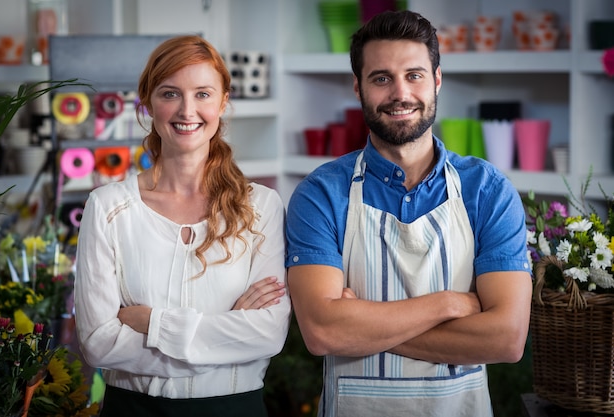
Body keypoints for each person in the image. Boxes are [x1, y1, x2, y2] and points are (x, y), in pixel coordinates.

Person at [285, 10, 532, 417]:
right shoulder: (321, 194)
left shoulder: (486, 190)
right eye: (381, 78)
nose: (400, 94)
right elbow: (322, 333)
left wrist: (360, 329)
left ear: (436, 80)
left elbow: (506, 339)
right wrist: (449, 304)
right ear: (358, 87)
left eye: (414, 75)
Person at [74, 35, 291, 417]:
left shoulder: (261, 207)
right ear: (148, 102)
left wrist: (152, 323)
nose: (187, 110)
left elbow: (268, 334)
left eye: (203, 94)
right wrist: (222, 345)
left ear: (224, 102)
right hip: (134, 410)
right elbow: (97, 342)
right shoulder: (108, 207)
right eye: (170, 93)